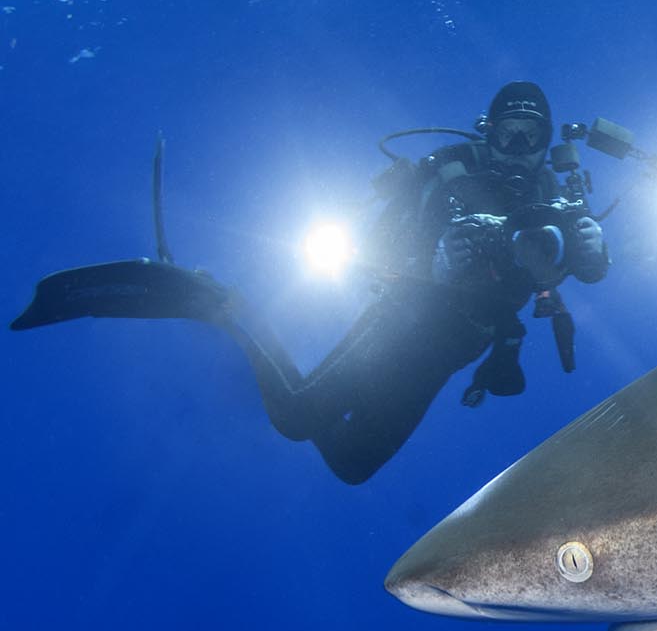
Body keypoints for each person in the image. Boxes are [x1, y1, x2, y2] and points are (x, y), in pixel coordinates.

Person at [10, 81, 610, 484]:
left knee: (351, 466)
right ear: (488, 131)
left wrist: (596, 251)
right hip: (404, 322)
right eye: (508, 133)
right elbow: (371, 248)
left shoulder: (554, 201)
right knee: (297, 417)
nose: (518, 149)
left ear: (547, 144)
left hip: (456, 349)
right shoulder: (446, 176)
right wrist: (432, 260)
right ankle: (222, 304)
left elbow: (578, 269)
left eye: (532, 139)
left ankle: (227, 311)